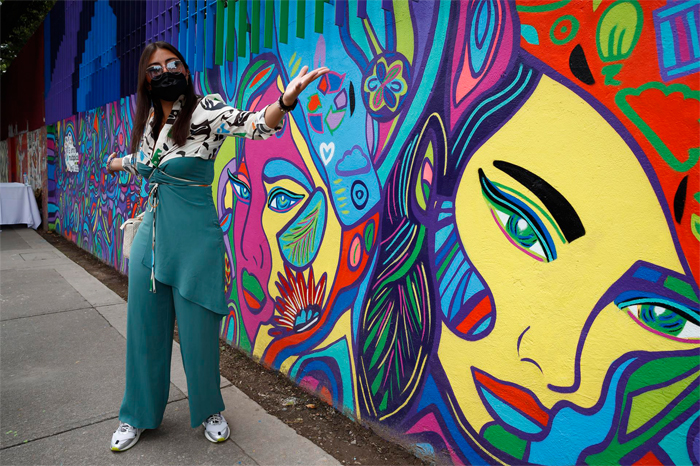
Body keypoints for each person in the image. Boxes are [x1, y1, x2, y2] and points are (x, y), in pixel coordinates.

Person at [105, 41, 328, 452]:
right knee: (143, 332)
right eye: (156, 68)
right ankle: (135, 415)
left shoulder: (205, 110)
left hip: (196, 240)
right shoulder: (150, 122)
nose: (166, 71)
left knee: (199, 333)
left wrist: (285, 100)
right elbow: (145, 162)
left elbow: (255, 124)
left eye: (173, 63)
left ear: (186, 70)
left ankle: (209, 409)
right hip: (152, 237)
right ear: (146, 80)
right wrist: (117, 162)